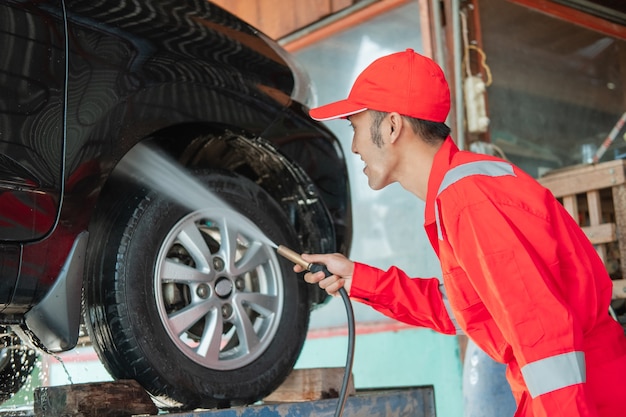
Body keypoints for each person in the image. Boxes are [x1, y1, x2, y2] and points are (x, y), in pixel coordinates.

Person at [296, 48, 626, 417]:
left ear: (391, 126)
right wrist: (359, 278)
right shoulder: (457, 193)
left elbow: (543, 335)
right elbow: (466, 310)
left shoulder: (471, 200)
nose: (355, 146)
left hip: (585, 400)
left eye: (355, 128)